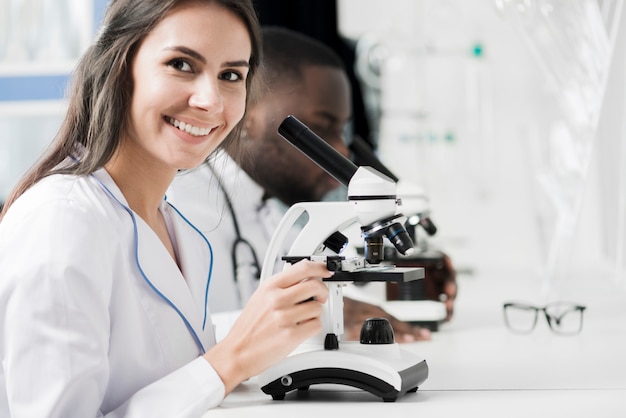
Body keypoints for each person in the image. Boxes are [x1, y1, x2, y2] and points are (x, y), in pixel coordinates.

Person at [0, 1, 333, 416]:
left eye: (231, 75)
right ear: (120, 68)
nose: (211, 100)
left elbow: (165, 355)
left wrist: (283, 320)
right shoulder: (63, 220)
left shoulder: (169, 222)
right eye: (181, 64)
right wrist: (229, 361)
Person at [167, 27, 450, 342]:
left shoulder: (269, 210)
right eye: (322, 128)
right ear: (247, 118)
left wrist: (418, 279)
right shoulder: (181, 207)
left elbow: (330, 278)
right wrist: (310, 318)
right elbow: (175, 341)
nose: (341, 151)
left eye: (341, 131)